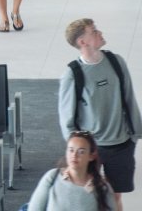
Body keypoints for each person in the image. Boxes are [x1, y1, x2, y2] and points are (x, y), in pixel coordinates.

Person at [58, 19, 142, 211]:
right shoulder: (73, 74)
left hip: (121, 143)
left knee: (115, 195)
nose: (99, 32)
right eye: (93, 31)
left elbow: (129, 98)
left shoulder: (116, 62)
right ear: (82, 42)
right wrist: (76, 150)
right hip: (91, 148)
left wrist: (135, 135)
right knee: (88, 194)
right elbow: (67, 119)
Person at [27, 131, 116, 211]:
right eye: (71, 150)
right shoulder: (52, 177)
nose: (74, 155)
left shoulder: (102, 187)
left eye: (81, 152)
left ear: (91, 156)